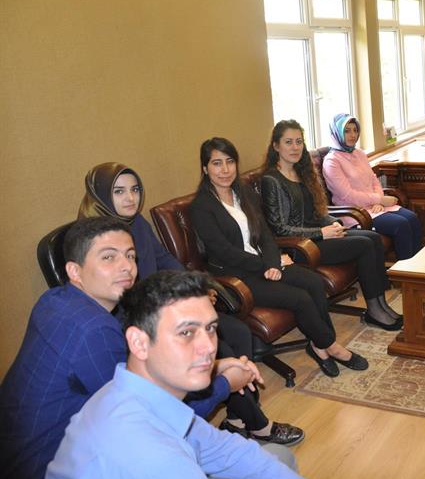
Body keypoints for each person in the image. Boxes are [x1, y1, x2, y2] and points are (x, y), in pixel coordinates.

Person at [0, 218, 259, 479]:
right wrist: (225, 384)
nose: (127, 267)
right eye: (108, 257)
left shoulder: (52, 300)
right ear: (75, 271)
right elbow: (155, 419)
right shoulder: (94, 329)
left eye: (130, 255)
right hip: (48, 470)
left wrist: (212, 367)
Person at [77, 162, 303, 445]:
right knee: (218, 348)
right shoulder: (97, 239)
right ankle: (259, 425)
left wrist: (197, 287)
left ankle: (237, 416)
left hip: (160, 306)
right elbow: (120, 299)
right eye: (119, 191)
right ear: (100, 195)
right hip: (134, 322)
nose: (131, 198)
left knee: (236, 331)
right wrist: (180, 301)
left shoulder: (138, 224)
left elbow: (164, 260)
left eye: (135, 189)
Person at [46, 270, 309, 479]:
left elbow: (223, 450)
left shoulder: (130, 393)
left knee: (277, 458)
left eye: (210, 328)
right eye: (186, 333)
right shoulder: (149, 457)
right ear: (139, 342)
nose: (209, 347)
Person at [189, 137, 368, 378]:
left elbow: (265, 233)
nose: (225, 170)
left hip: (264, 263)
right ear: (205, 168)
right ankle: (332, 346)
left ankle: (319, 345)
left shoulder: (243, 193)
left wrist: (273, 262)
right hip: (236, 276)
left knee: (314, 282)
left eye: (229, 162)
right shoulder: (202, 207)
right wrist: (266, 265)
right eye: (216, 163)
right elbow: (224, 252)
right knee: (300, 299)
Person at [260, 120, 403, 332]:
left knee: (372, 238)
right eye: (288, 142)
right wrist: (321, 233)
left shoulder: (302, 172)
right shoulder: (271, 180)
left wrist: (334, 224)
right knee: (364, 245)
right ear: (275, 146)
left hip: (319, 236)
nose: (295, 147)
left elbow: (319, 211)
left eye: (299, 141)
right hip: (299, 247)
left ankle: (381, 304)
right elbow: (279, 228)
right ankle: (375, 310)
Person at [322, 113, 422, 260]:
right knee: (401, 225)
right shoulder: (331, 161)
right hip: (355, 213)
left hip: (375, 207)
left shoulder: (359, 153)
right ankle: (405, 272)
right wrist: (379, 200)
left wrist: (379, 201)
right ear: (337, 133)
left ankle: (417, 268)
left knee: (412, 218)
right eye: (347, 131)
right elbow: (347, 195)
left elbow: (374, 179)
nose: (353, 135)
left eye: (355, 130)